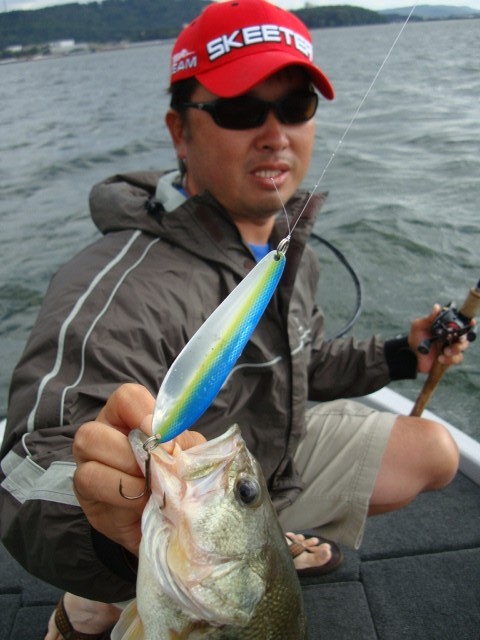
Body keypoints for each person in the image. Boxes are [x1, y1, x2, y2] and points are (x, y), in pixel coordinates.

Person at [0, 1, 467, 638]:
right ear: (179, 132)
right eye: (241, 110)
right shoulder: (119, 285)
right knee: (144, 561)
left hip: (259, 471)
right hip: (197, 497)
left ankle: (260, 535)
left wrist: (401, 355)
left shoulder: (285, 247)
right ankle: (104, 593)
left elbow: (303, 359)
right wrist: (106, 530)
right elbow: (28, 471)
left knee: (434, 451)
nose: (275, 134)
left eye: (296, 106)